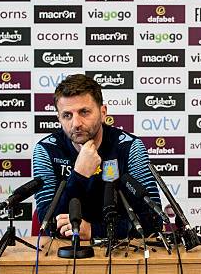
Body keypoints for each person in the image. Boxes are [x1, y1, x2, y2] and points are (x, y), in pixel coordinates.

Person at [33, 74, 162, 240]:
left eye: (84, 112)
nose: (76, 123)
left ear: (103, 113)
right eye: (67, 115)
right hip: (65, 256)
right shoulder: (47, 150)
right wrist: (78, 175)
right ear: (58, 118)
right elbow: (47, 224)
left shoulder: (130, 147)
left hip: (121, 254)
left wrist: (94, 231)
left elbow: (154, 220)